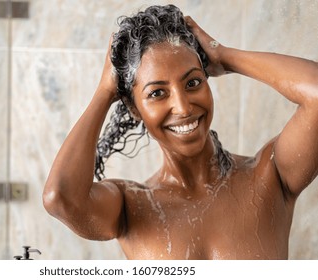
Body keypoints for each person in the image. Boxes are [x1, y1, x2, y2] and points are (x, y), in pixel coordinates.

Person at [42, 5, 318, 259]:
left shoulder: (270, 177)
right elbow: (60, 197)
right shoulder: (129, 207)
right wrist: (104, 92)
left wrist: (224, 56)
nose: (183, 107)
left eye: (193, 82)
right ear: (134, 108)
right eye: (158, 93)